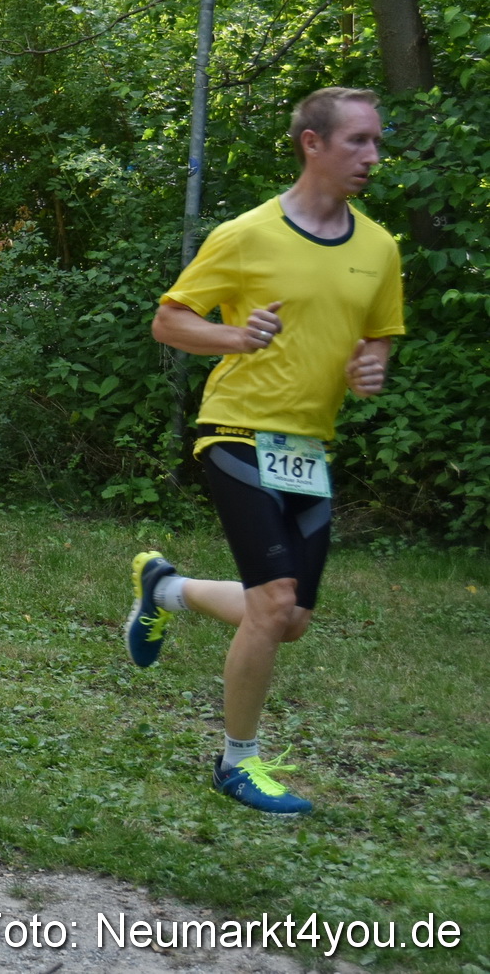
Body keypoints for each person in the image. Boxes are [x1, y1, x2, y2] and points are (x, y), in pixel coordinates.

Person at [126, 87, 404, 815]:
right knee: (274, 601)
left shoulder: (379, 247)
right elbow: (169, 321)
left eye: (377, 141)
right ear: (312, 143)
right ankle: (236, 762)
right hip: (236, 430)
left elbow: (377, 335)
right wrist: (234, 336)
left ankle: (165, 590)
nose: (373, 155)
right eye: (359, 142)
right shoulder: (246, 235)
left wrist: (371, 365)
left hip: (309, 444)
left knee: (289, 617)